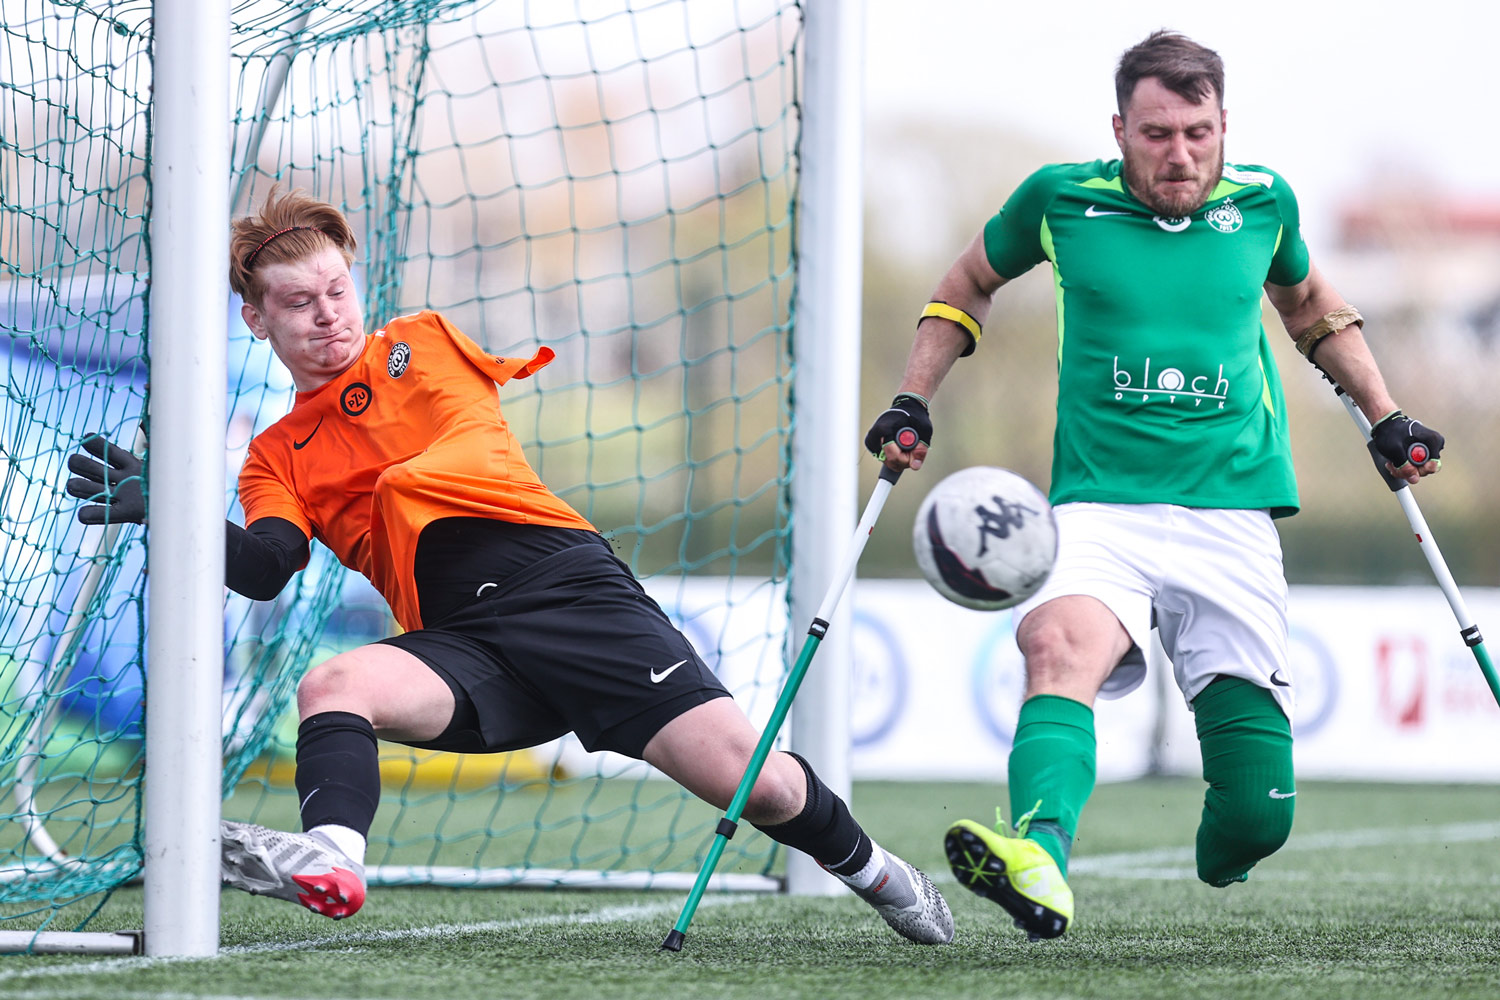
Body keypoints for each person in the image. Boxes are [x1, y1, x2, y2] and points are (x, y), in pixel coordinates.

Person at [66, 186, 953, 945]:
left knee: (753, 785)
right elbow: (264, 567)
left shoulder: (417, 343)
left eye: (337, 289)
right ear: (255, 318)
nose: (329, 313)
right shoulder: (274, 456)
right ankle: (334, 859)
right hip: (463, 643)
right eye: (299, 303)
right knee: (333, 683)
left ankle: (878, 872)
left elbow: (431, 465)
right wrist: (178, 511)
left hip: (565, 591)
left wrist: (372, 491)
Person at [864, 30, 1444, 942]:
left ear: (1224, 127)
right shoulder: (1059, 201)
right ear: (1121, 130)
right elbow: (966, 282)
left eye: (1198, 133)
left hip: (1235, 514)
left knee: (1257, 816)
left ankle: (1234, 838)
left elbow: (1310, 308)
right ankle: (1039, 857)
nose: (1180, 153)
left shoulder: (1264, 203)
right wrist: (913, 398)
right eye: (1158, 133)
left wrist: (1385, 414)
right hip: (1099, 507)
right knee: (1058, 646)